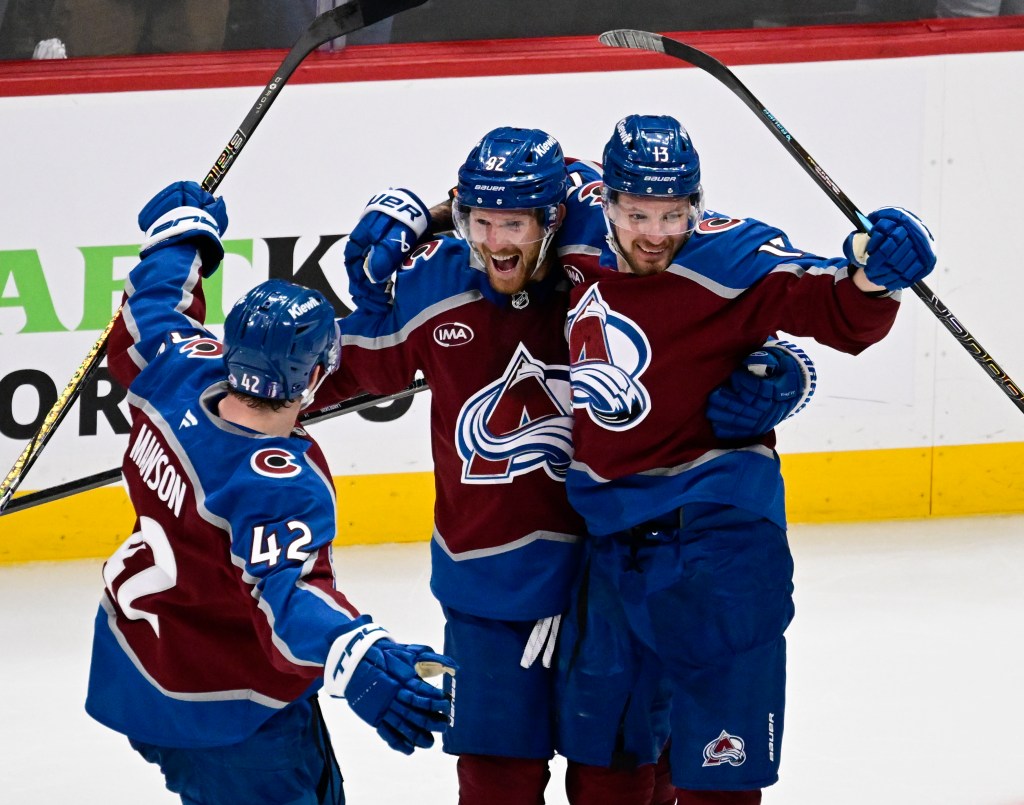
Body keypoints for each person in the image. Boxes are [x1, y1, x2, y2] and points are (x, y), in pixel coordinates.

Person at [317, 126, 816, 804]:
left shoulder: (610, 257)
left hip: (610, 571)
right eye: (480, 222)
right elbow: (321, 370)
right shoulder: (435, 281)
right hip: (486, 580)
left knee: (622, 772)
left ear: (554, 218)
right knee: (496, 778)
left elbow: (716, 315)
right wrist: (211, 388)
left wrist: (789, 368)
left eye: (515, 224)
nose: (496, 242)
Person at [553, 114, 937, 804]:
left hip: (720, 537)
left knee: (718, 770)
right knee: (606, 763)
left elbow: (831, 299)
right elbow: (508, 189)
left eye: (674, 214)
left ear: (696, 205)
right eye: (637, 212)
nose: (654, 233)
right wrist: (410, 213)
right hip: (611, 540)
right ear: (606, 201)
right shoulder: (574, 222)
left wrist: (877, 274)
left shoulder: (734, 256)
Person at [85, 180, 454, 804]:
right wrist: (356, 651)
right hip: (228, 709)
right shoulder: (276, 485)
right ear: (313, 377)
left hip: (141, 663)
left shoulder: (177, 366)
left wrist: (182, 238)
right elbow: (287, 598)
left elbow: (151, 302)